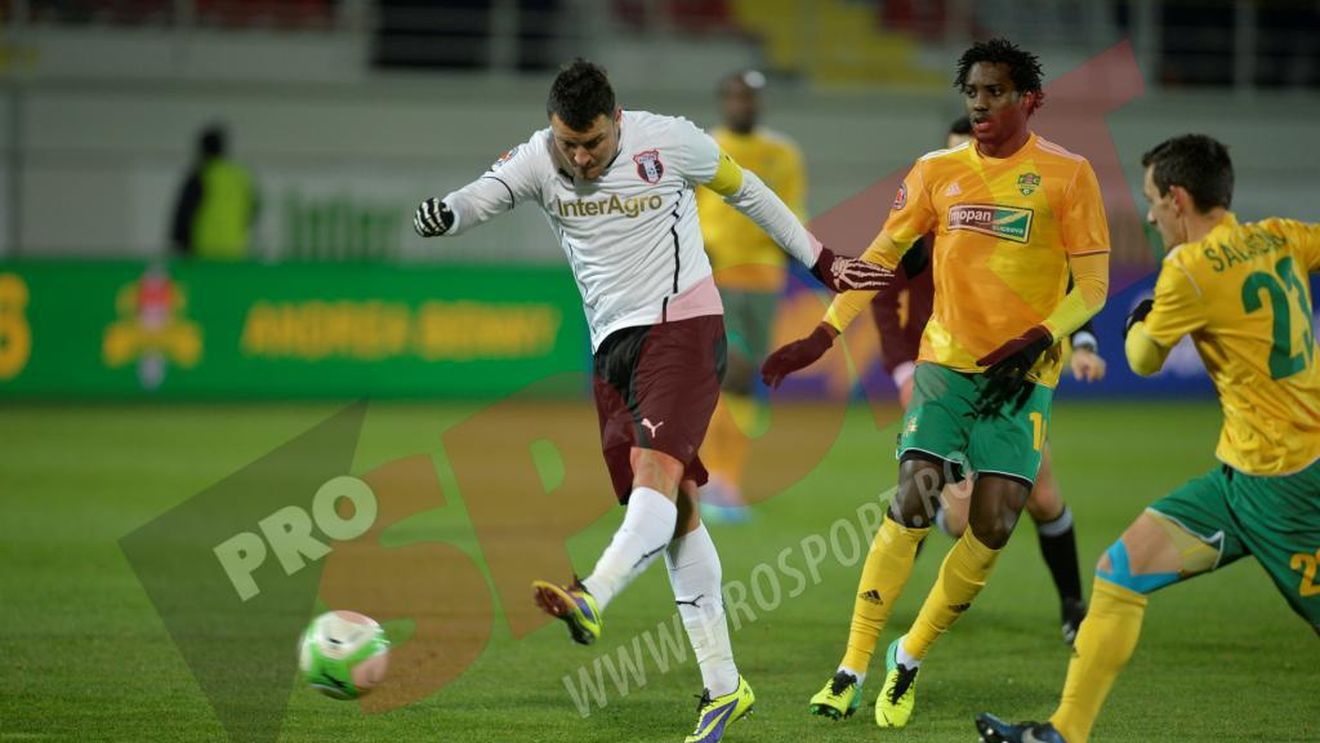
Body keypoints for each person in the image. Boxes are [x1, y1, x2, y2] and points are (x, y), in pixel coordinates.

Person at [412, 59, 890, 743]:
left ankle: (591, 593)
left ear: (618, 121)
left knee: (655, 477)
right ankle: (725, 687)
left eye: (594, 143)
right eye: (569, 143)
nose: (580, 157)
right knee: (675, 510)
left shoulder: (669, 140)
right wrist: (444, 214)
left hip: (685, 327)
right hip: (611, 352)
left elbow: (747, 189)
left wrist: (822, 262)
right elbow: (483, 195)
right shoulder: (538, 157)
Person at [760, 38, 1111, 727]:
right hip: (946, 363)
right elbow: (882, 257)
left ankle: (909, 658)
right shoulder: (934, 172)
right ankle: (850, 667)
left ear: (1029, 100)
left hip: (1024, 376)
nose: (979, 104)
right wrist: (822, 334)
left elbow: (1093, 285)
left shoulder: (1069, 176)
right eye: (972, 93)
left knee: (995, 521)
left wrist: (1042, 335)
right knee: (914, 496)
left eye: (994, 92)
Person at [975, 135, 1320, 743]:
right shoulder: (1282, 234)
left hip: (1283, 488)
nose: (1151, 214)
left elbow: (1141, 358)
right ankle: (1063, 733)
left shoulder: (1189, 267)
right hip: (1239, 477)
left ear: (1179, 199)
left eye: (1152, 200)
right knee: (1120, 571)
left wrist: (1139, 315)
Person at [871, 115, 1101, 649]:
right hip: (945, 373)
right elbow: (882, 289)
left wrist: (1083, 343)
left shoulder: (1016, 213)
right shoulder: (929, 220)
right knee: (935, 501)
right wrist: (905, 367)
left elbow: (1072, 279)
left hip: (1012, 377)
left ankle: (1072, 607)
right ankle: (888, 609)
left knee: (1042, 495)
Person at [696, 69, 807, 523]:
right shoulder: (702, 147)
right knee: (727, 371)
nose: (745, 105)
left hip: (765, 279)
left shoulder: (782, 153)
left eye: (752, 98)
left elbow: (794, 215)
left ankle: (725, 482)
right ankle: (708, 480)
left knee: (743, 380)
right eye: (738, 97)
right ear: (725, 100)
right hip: (715, 276)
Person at [169, 124, 258, 260]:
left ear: (202, 149)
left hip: (203, 249)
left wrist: (179, 242)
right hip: (235, 250)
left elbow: (184, 212)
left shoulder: (201, 174)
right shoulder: (239, 176)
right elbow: (252, 211)